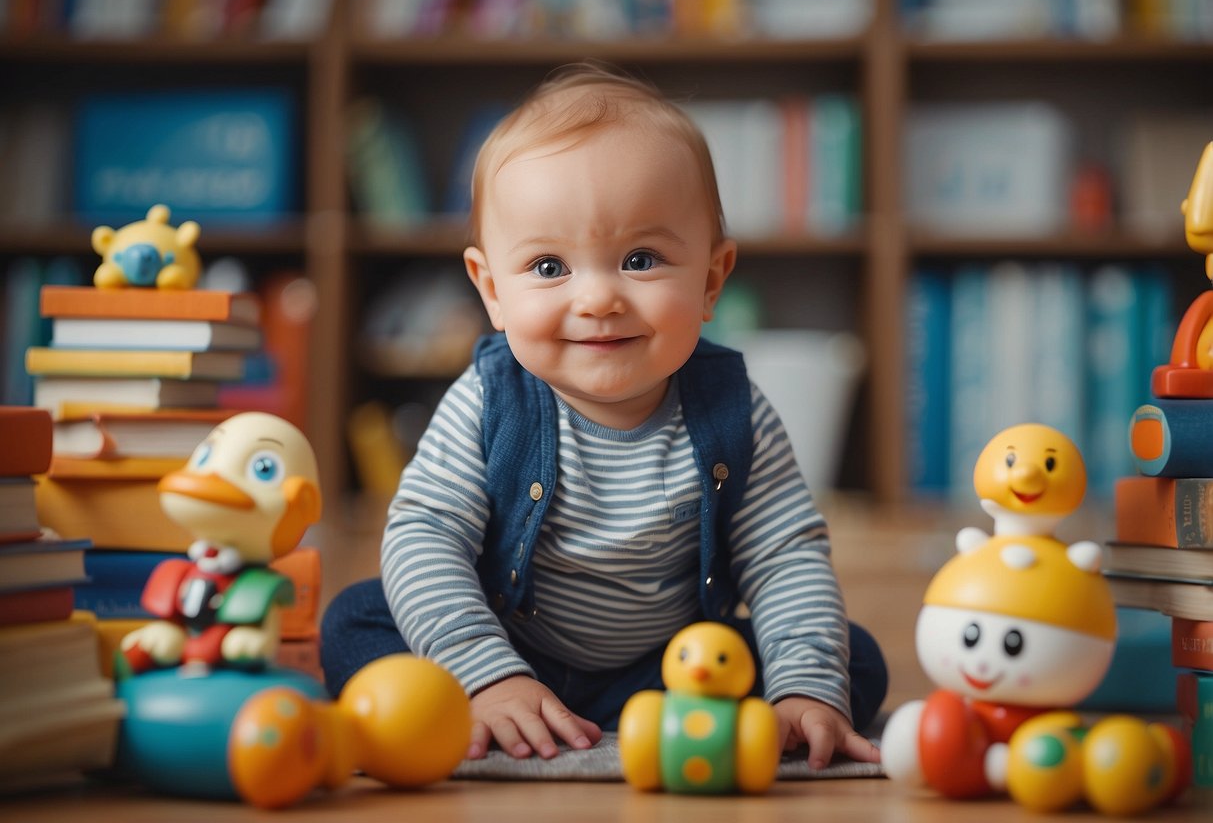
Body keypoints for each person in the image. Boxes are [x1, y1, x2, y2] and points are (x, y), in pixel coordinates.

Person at [321, 62, 887, 770]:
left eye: (640, 259)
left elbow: (783, 557)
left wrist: (805, 687)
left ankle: (693, 716)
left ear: (711, 279)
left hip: (670, 665)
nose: (596, 300)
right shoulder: (488, 399)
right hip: (507, 642)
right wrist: (483, 672)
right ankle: (495, 707)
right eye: (549, 268)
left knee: (849, 661)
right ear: (491, 290)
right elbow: (425, 537)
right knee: (356, 620)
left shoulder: (732, 410)